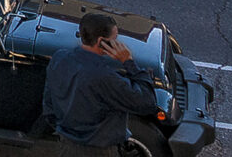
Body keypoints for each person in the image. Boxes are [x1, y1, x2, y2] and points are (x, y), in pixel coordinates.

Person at [42, 12, 160, 155]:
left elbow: (49, 105)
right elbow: (147, 102)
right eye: (114, 39)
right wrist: (128, 62)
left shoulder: (59, 59)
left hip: (67, 147)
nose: (118, 43)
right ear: (101, 42)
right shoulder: (103, 76)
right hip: (99, 150)